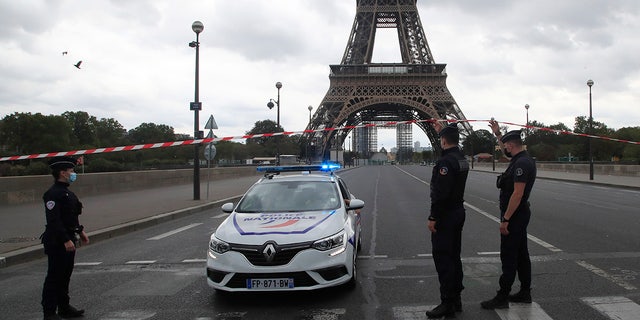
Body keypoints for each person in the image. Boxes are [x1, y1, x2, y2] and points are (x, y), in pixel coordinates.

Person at [481, 121, 537, 310]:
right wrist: (498, 134)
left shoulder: (521, 164)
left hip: (515, 216)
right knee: (522, 255)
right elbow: (507, 156)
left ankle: (502, 297)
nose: (504, 148)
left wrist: (506, 219)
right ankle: (525, 292)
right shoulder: (522, 159)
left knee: (509, 256)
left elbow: (517, 194)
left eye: (505, 145)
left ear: (511, 145)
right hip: (520, 214)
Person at [425, 121, 470, 318]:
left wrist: (433, 216)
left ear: (443, 140)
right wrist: (441, 130)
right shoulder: (461, 159)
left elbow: (441, 194)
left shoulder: (445, 163)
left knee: (443, 258)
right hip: (458, 211)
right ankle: (456, 298)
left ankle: (447, 302)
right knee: (454, 256)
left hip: (446, 215)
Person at [41, 156, 89, 320]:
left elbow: (70, 216)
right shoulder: (53, 194)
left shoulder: (67, 192)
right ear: (62, 173)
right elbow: (54, 220)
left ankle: (64, 307)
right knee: (54, 276)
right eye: (71, 171)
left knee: (65, 275)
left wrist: (80, 231)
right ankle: (49, 312)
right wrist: (65, 240)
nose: (73, 173)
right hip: (57, 240)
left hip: (68, 236)